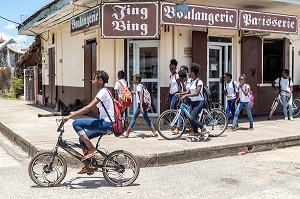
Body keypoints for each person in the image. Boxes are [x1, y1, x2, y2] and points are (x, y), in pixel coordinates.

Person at [63, 70, 114, 174]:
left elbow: (88, 108)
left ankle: (92, 149)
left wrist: (71, 116)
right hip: (105, 123)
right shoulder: (104, 91)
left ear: (100, 81)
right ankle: (89, 165)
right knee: (82, 139)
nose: (92, 81)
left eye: (94, 78)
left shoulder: (103, 92)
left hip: (106, 123)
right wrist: (75, 112)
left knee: (76, 123)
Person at [178, 63, 210, 139]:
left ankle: (205, 129)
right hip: (193, 102)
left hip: (199, 102)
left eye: (189, 72)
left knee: (192, 118)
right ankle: (196, 134)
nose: (188, 74)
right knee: (191, 118)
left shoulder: (199, 82)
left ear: (193, 73)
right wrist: (180, 93)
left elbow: (197, 93)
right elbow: (189, 92)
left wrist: (186, 96)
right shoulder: (192, 81)